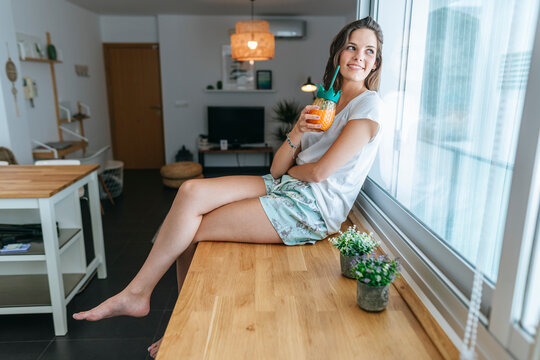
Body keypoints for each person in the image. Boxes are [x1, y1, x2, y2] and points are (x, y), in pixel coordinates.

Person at [73, 16, 384, 358]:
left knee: (191, 231)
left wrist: (297, 170)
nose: (359, 56)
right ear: (339, 53)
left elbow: (321, 172)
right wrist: (296, 133)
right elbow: (277, 167)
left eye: (369, 51)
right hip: (286, 187)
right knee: (191, 191)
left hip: (312, 209)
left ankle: (178, 324)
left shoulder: (368, 105)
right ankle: (138, 293)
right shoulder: (324, 103)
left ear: (375, 61)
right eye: (352, 47)